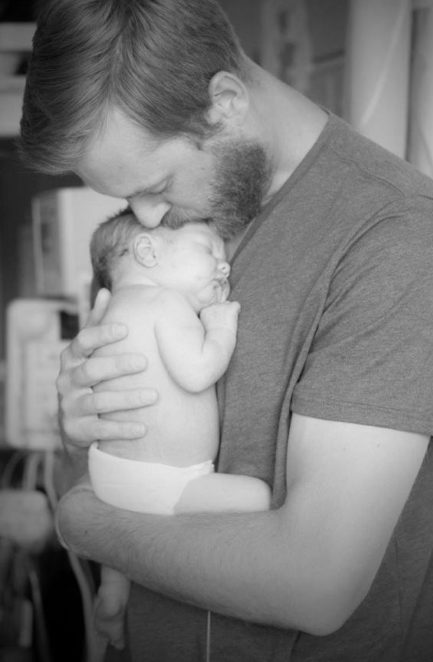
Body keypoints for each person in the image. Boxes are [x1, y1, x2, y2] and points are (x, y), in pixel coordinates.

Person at [19, 0, 433, 662]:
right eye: (123, 198)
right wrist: (81, 424)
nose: (142, 220)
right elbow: (126, 440)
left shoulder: (394, 238)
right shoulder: (164, 238)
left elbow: (316, 582)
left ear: (226, 102)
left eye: (156, 184)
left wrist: (82, 518)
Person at [87, 210, 270, 653]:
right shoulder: (163, 303)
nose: (223, 265)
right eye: (207, 250)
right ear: (148, 251)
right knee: (259, 498)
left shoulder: (111, 311)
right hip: (168, 483)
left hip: (110, 475)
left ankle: (112, 591)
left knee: (126, 531)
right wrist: (220, 328)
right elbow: (196, 370)